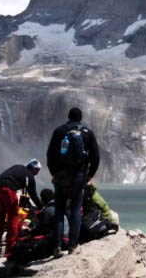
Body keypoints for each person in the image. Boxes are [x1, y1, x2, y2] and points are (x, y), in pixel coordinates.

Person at [47, 107, 100, 257]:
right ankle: (72, 246)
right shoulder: (87, 133)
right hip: (79, 175)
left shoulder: (59, 131)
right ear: (81, 118)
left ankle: (57, 247)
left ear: (68, 117)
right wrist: (89, 175)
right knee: (76, 210)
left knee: (59, 210)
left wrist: (54, 173)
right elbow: (95, 157)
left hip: (61, 175)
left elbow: (50, 154)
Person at [0, 159, 42, 257]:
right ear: (33, 168)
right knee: (13, 215)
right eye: (37, 170)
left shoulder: (18, 167)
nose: (37, 173)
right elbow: (33, 195)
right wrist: (41, 207)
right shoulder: (30, 176)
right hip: (8, 189)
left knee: (2, 211)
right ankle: (10, 247)